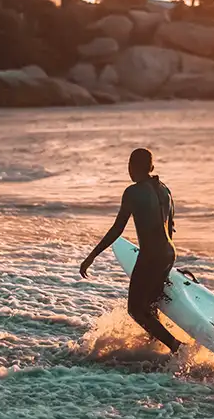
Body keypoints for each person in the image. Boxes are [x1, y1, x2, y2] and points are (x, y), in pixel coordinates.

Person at [79, 147, 184, 351]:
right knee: (150, 307)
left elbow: (118, 228)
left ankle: (175, 346)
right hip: (168, 253)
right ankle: (155, 345)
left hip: (151, 256)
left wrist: (92, 256)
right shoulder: (165, 189)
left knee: (136, 309)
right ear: (151, 167)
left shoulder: (132, 192)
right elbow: (170, 227)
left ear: (131, 167)